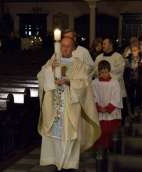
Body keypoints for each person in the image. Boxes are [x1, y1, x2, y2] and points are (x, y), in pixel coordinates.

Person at [37, 37, 101, 172]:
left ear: (73, 48)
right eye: (62, 46)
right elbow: (40, 76)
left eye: (67, 46)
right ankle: (55, 163)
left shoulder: (79, 65)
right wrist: (50, 70)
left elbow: (84, 85)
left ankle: (68, 165)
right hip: (54, 106)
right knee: (54, 136)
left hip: (70, 107)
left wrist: (68, 82)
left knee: (70, 136)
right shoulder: (52, 61)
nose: (64, 49)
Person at [94, 37, 127, 124]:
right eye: (102, 44)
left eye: (105, 43)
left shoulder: (118, 57)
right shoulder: (98, 58)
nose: (102, 45)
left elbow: (119, 72)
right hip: (101, 92)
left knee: (115, 118)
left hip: (115, 91)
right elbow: (95, 72)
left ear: (111, 45)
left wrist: (106, 76)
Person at [92, 60, 122, 149]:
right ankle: (99, 153)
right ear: (99, 72)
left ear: (109, 71)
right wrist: (98, 107)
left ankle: (111, 151)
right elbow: (93, 96)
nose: (104, 74)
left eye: (105, 72)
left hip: (111, 114)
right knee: (99, 133)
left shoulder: (114, 83)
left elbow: (116, 98)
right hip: (99, 113)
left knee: (110, 133)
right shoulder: (94, 83)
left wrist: (108, 108)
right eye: (101, 72)